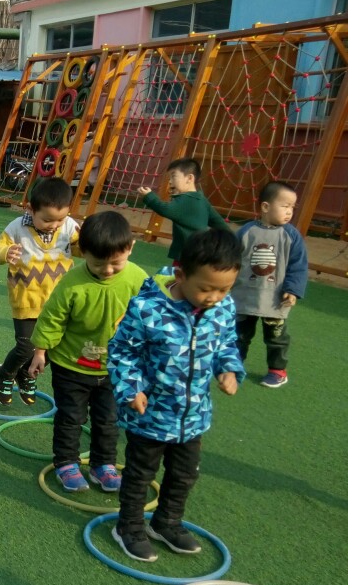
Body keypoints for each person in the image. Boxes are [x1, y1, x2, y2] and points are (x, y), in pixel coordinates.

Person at [108, 228, 244, 562]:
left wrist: (228, 369)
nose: (214, 297)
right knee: (140, 475)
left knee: (184, 475)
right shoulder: (148, 308)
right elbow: (122, 351)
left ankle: (166, 522)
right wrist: (132, 388)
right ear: (181, 275)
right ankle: (128, 527)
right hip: (150, 414)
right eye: (206, 288)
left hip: (193, 416)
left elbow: (227, 344)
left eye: (224, 288)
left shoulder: (224, 307)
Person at [28, 211, 149, 494]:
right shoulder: (73, 282)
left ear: (130, 248)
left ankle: (103, 464)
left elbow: (150, 318)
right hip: (71, 366)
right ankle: (66, 463)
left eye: (116, 263)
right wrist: (40, 352)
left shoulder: (139, 279)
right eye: (97, 264)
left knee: (108, 420)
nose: (107, 270)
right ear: (83, 253)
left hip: (115, 369)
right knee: (71, 418)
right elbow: (52, 318)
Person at [0, 177, 80, 407]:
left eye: (60, 218)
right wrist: (6, 252)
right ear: (30, 209)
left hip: (58, 301)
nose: (54, 225)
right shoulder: (17, 228)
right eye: (47, 219)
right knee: (25, 346)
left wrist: (87, 242)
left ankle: (26, 374)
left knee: (54, 345)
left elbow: (82, 249)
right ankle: (5, 374)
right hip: (26, 298)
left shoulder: (70, 226)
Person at [232, 181, 308, 388]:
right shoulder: (246, 231)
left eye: (292, 207)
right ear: (265, 207)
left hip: (275, 298)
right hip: (244, 296)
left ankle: (277, 370)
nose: (289, 211)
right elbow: (231, 259)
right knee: (239, 335)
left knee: (276, 337)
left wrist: (293, 290)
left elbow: (298, 265)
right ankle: (233, 366)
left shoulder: (291, 235)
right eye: (285, 206)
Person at [138, 157, 229, 263]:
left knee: (179, 273)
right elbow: (219, 223)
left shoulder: (186, 199)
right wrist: (232, 239)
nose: (170, 182)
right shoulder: (201, 199)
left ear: (189, 178)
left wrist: (148, 196)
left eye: (173, 176)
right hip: (200, 253)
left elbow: (165, 209)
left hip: (186, 255)